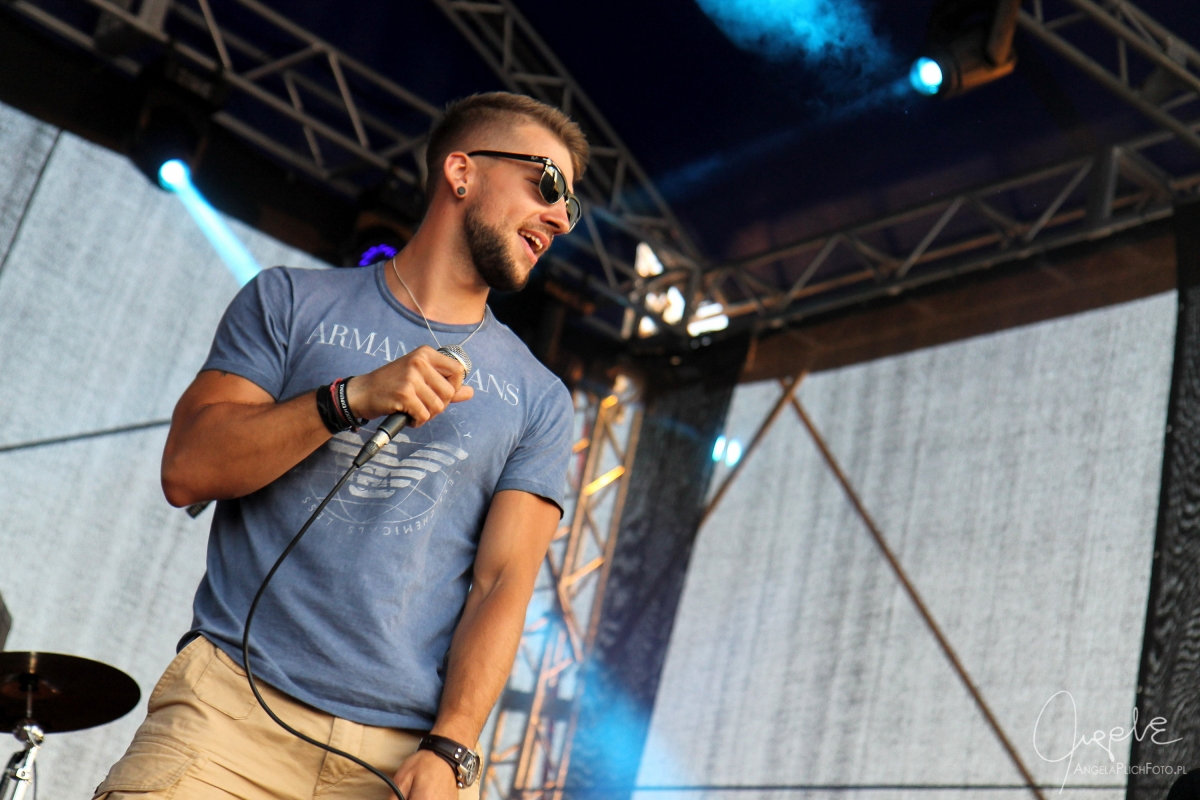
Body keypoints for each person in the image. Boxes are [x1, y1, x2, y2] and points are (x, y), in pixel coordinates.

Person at [93, 91, 588, 800]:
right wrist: (349, 398)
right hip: (227, 715)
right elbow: (188, 470)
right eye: (547, 184)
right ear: (461, 172)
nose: (560, 217)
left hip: (397, 760)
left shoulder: (539, 398)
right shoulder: (289, 302)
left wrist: (453, 747)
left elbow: (503, 584)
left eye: (570, 205)